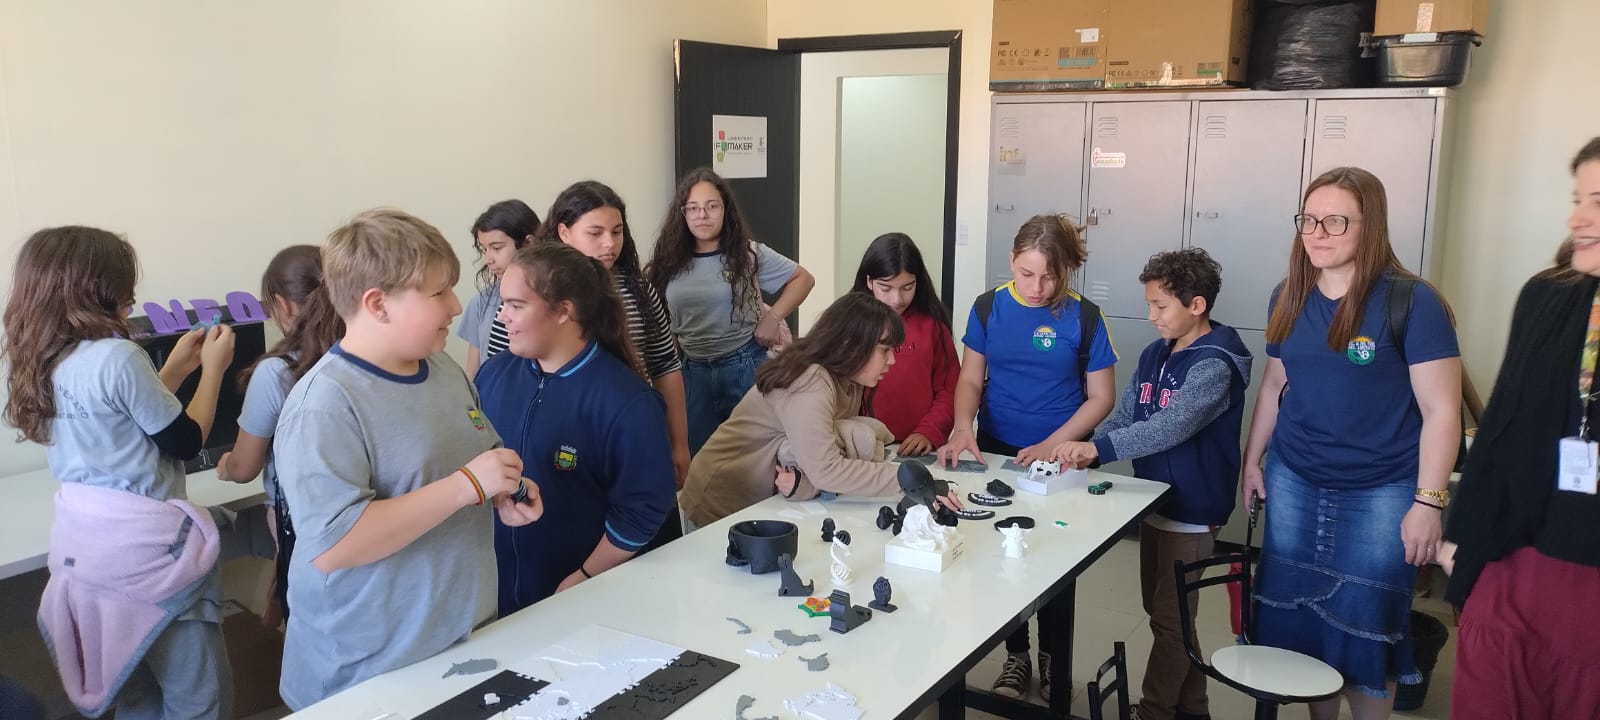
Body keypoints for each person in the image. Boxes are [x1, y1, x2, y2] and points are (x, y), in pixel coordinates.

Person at [272, 208, 545, 709]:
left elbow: (475, 456)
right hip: (368, 671)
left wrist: (504, 489)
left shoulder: (442, 369)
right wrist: (466, 486)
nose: (456, 306)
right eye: (439, 293)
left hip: (459, 643)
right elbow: (336, 544)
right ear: (378, 304)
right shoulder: (324, 404)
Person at [1240, 167, 1460, 719]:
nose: (1317, 233)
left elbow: (1442, 411)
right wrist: (1252, 460)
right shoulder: (1287, 295)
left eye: (1336, 221)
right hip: (1295, 481)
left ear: (1371, 225)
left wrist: (1428, 502)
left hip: (1381, 492)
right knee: (1305, 631)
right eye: (1309, 220)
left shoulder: (1412, 302)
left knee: (1367, 631)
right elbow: (1274, 384)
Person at [4, 226, 237, 719]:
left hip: (88, 557)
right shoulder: (120, 355)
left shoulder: (44, 359)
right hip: (147, 559)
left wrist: (176, 369)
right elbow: (184, 440)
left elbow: (122, 422)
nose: (131, 295)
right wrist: (213, 369)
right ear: (97, 289)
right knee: (197, 699)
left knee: (135, 694)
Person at [1054, 248, 1252, 720]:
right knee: (1168, 614)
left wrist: (1100, 450)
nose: (1152, 316)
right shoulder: (1155, 353)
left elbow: (1171, 427)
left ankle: (1155, 710)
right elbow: (1127, 414)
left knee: (1170, 618)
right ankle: (1193, 708)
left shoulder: (1215, 363)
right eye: (1149, 305)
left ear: (1196, 305)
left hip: (1193, 509)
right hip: (1153, 501)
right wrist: (1088, 449)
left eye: (1161, 306)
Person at [1442, 137, 1600, 718]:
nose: (1576, 219)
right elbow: (1501, 432)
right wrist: (1462, 536)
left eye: (1598, 202)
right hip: (1516, 563)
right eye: (1579, 199)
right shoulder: (1547, 298)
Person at [937, 213, 1118, 702]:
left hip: (1063, 461)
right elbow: (970, 379)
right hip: (998, 452)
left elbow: (1101, 397)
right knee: (1002, 557)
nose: (1037, 288)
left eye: (1050, 276)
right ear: (1012, 261)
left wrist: (1053, 445)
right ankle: (1016, 657)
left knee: (1055, 560)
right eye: (1026, 273)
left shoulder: (1084, 317)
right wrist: (962, 427)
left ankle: (1053, 659)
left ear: (1067, 271)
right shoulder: (988, 307)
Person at [477, 243, 676, 614]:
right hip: (498, 595)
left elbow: (643, 510)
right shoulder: (492, 375)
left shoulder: (627, 402)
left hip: (582, 596)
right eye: (503, 304)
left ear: (563, 311)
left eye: (516, 305)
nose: (502, 317)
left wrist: (585, 576)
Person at [680, 293, 961, 528]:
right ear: (851, 345)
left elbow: (817, 459)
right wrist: (910, 483)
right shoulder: (810, 379)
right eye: (884, 350)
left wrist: (806, 483)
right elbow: (826, 469)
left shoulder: (848, 380)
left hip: (764, 500)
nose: (891, 361)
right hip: (720, 501)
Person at [215, 245, 346, 627]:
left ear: (282, 305)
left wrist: (225, 466)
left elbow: (244, 468)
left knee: (311, 616)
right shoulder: (366, 355)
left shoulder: (276, 373)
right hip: (366, 513)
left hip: (305, 521)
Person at [537, 180, 691, 494]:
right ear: (564, 232)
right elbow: (508, 376)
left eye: (617, 231)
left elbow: (665, 366)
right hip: (562, 442)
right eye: (595, 233)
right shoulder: (535, 291)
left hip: (633, 432)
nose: (609, 243)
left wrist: (679, 444)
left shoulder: (639, 290)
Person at [647, 167, 815, 454]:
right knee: (699, 459)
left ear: (725, 210)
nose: (702, 215)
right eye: (693, 208)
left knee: (755, 457)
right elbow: (657, 309)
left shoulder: (748, 254)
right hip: (693, 372)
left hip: (744, 364)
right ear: (682, 214)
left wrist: (773, 318)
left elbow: (803, 279)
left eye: (711, 206)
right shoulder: (668, 262)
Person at [850, 232, 958, 457]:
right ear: (869, 281)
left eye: (907, 287)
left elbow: (950, 388)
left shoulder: (932, 325)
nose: (897, 299)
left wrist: (929, 431)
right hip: (860, 444)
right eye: (886, 288)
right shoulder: (849, 322)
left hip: (918, 448)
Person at [459, 199, 540, 378]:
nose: (488, 259)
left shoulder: (551, 300)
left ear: (528, 243)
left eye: (496, 248)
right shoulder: (482, 301)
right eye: (484, 249)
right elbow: (473, 372)